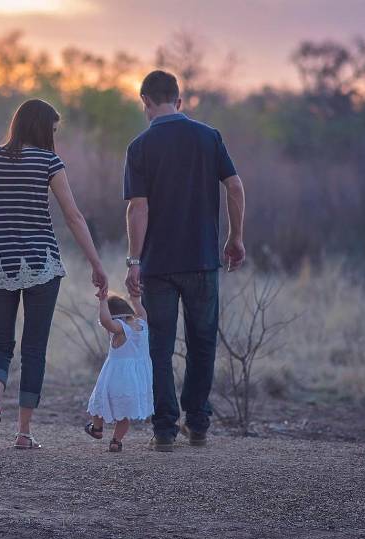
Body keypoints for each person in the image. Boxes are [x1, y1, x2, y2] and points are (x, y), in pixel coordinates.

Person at [0, 98, 108, 450]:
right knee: (34, 349)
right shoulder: (49, 162)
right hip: (41, 263)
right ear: (42, 128)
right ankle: (23, 433)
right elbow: (73, 217)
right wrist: (96, 264)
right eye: (53, 130)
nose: (54, 137)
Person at [122, 70, 247, 452]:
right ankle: (198, 423)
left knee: (159, 346)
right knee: (202, 342)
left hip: (158, 265)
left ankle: (164, 429)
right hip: (202, 260)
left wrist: (133, 260)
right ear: (179, 100)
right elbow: (235, 186)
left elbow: (137, 209)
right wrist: (235, 237)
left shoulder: (140, 146)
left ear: (145, 101)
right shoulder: (208, 137)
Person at [84, 292, 154, 453]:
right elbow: (142, 311)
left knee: (99, 402)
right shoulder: (142, 324)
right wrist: (135, 299)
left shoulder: (121, 329)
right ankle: (116, 441)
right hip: (136, 380)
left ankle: (97, 428)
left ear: (115, 316)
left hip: (116, 377)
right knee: (124, 414)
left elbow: (106, 321)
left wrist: (102, 301)